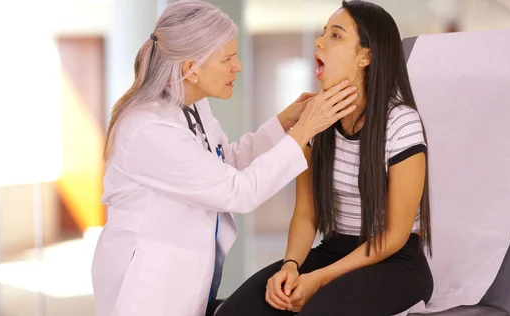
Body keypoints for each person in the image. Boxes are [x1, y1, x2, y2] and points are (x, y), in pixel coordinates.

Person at [90, 1, 359, 315]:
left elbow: (224, 161)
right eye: (228, 58)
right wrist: (305, 130)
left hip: (182, 276)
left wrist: (284, 123)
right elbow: (238, 191)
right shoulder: (148, 129)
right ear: (191, 69)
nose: (238, 66)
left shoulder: (191, 105)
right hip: (146, 287)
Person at [215, 1, 434, 315]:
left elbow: (395, 235)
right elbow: (307, 214)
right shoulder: (317, 120)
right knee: (234, 312)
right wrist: (291, 266)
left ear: (366, 56)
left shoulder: (401, 123)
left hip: (395, 262)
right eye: (322, 33)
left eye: (336, 35)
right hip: (332, 251)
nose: (320, 42)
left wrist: (319, 279)